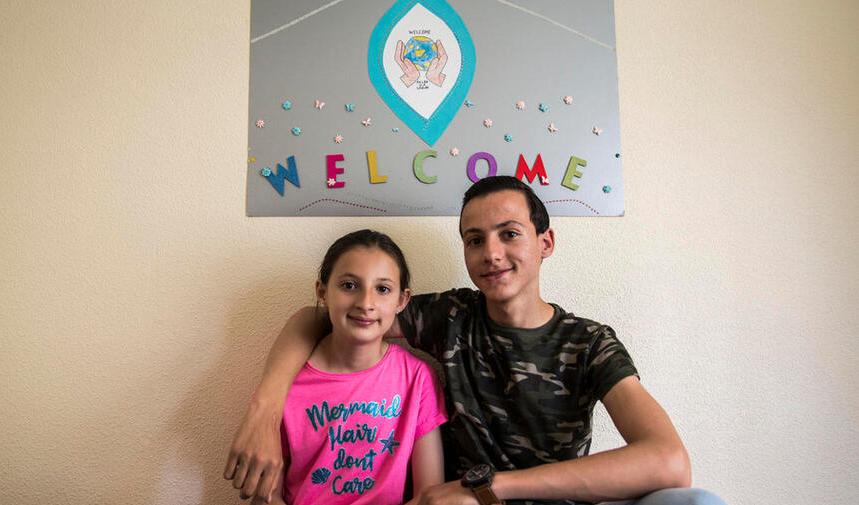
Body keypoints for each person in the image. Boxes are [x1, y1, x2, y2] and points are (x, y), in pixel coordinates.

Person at [226, 177, 726, 505]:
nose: (492, 253)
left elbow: (669, 461)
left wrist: (491, 488)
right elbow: (318, 318)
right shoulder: (453, 315)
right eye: (474, 239)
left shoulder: (588, 342)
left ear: (545, 242)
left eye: (510, 234)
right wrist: (265, 411)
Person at [251, 229, 448, 505]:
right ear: (322, 292)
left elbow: (430, 496)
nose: (366, 303)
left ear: (402, 301)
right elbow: (266, 495)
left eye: (382, 289)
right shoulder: (286, 382)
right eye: (349, 285)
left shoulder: (417, 378)